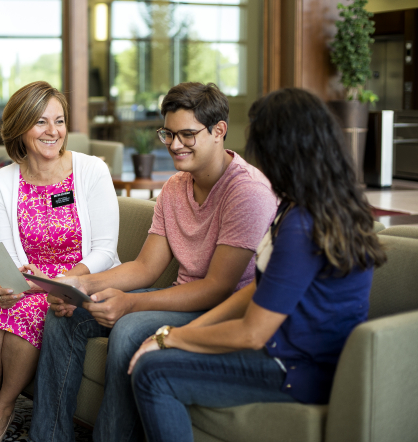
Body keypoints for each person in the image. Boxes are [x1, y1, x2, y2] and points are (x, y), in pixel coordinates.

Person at [127, 87, 388, 442]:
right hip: (291, 353)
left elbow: (253, 332)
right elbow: (259, 289)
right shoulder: (310, 205)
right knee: (152, 357)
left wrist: (170, 338)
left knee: (153, 372)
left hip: (298, 366)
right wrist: (178, 335)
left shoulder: (302, 223)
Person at [28, 82, 278, 442]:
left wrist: (130, 303)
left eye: (187, 135)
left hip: (222, 309)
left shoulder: (247, 192)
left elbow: (217, 287)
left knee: (129, 328)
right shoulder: (176, 186)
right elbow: (146, 267)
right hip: (183, 298)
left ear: (218, 130)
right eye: (169, 134)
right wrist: (78, 285)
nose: (175, 145)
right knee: (65, 313)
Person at [0, 81, 120, 442]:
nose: (53, 131)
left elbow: (106, 250)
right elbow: (9, 252)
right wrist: (14, 283)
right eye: (41, 122)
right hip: (27, 279)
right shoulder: (2, 180)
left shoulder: (91, 170)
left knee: (26, 317)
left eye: (59, 121)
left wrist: (58, 280)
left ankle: (3, 405)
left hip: (80, 281)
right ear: (20, 126)